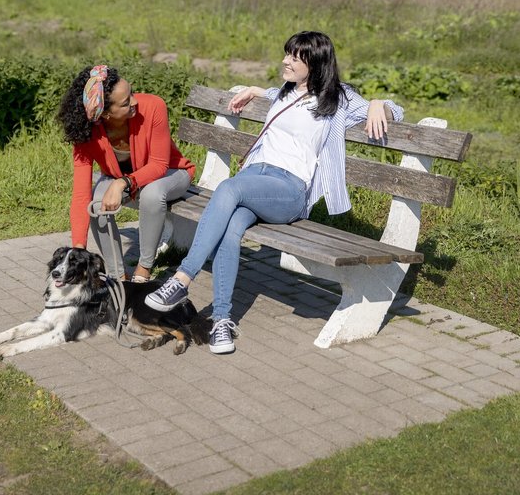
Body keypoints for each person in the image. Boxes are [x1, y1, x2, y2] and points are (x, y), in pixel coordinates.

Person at [145, 31, 404, 354]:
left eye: (294, 58)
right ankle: (222, 320)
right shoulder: (286, 91)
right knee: (230, 229)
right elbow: (269, 93)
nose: (285, 61)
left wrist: (378, 105)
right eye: (286, 54)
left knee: (228, 187)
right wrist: (254, 90)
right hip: (255, 180)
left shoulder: (337, 99)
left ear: (315, 64)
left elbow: (396, 111)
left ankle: (182, 279)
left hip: (288, 191)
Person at [58, 65, 195, 282]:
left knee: (152, 193)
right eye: (125, 102)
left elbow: (159, 164)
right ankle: (118, 277)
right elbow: (80, 195)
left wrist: (122, 183)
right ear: (105, 113)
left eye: (131, 93)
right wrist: (78, 249)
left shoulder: (153, 106)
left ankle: (144, 268)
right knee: (96, 202)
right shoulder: (87, 133)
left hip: (171, 173)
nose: (134, 101)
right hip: (128, 179)